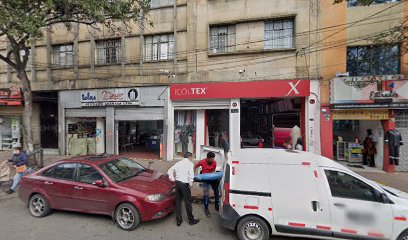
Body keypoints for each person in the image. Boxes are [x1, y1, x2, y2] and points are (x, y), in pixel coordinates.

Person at [167, 152, 200, 227]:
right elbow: (191, 176)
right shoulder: (190, 164)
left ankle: (179, 221)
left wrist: (172, 178)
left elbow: (169, 170)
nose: (192, 159)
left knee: (178, 202)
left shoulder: (178, 163)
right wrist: (190, 185)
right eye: (192, 157)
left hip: (178, 184)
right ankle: (191, 220)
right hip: (185, 185)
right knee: (187, 202)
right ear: (190, 157)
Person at [194, 152, 219, 217]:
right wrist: (194, 175)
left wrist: (214, 176)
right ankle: (206, 209)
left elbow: (213, 170)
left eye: (213, 158)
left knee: (216, 192)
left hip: (212, 178)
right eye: (211, 158)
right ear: (208, 158)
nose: (213, 160)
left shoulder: (214, 162)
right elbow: (195, 166)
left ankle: (217, 206)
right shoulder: (202, 162)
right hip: (205, 179)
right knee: (206, 194)